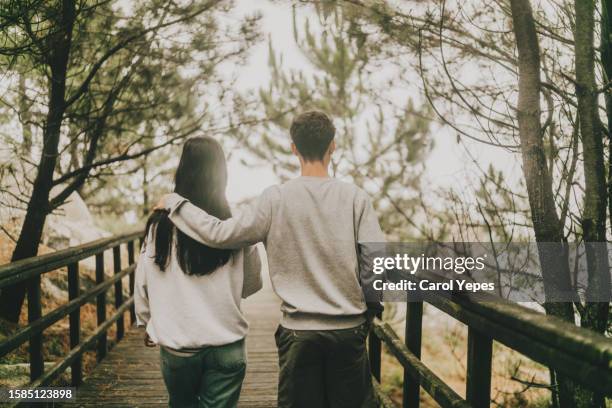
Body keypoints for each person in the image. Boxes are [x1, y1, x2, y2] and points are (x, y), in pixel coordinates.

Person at [156, 111, 384, 408]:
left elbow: (221, 234)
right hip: (348, 331)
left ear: (293, 148)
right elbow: (376, 260)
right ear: (333, 147)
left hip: (299, 334)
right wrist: (371, 309)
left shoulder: (275, 198)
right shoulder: (356, 198)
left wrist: (177, 204)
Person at [135, 137, 262, 408]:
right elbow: (251, 285)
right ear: (222, 175)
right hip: (227, 344)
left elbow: (142, 279)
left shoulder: (160, 224)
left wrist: (146, 320)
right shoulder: (233, 227)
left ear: (182, 171)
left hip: (179, 346)